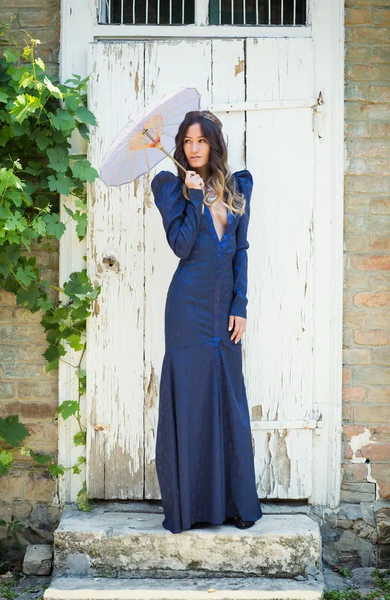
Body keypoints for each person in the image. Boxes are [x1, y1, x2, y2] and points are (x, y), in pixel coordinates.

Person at [151, 109, 263, 534]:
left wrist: (241, 304)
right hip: (186, 309)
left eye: (201, 141)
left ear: (214, 145)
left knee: (228, 400)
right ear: (180, 147)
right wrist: (193, 197)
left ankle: (233, 506)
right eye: (187, 142)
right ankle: (190, 508)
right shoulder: (168, 188)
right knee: (192, 402)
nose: (193, 149)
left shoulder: (237, 188)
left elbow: (240, 251)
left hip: (224, 312)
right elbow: (180, 247)